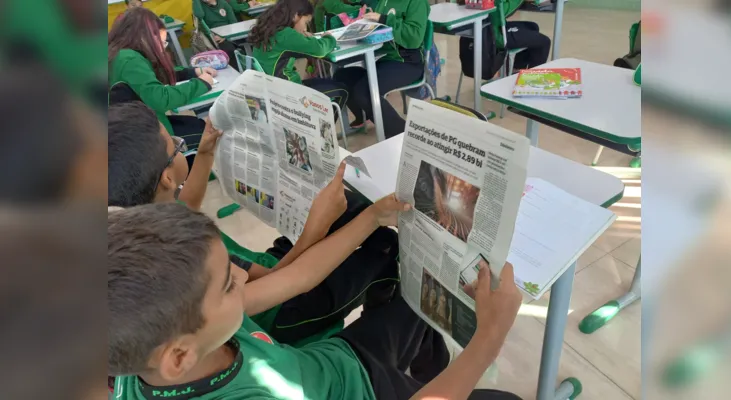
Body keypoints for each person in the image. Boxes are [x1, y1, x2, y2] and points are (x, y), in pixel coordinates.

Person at [108, 204, 524, 400]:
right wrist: (489, 336)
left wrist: (371, 219)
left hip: (339, 361)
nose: (241, 274)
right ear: (179, 357)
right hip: (366, 392)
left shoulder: (163, 339)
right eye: (227, 285)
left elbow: (296, 278)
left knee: (417, 301)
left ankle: (428, 367)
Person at [107, 102, 400, 346]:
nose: (183, 147)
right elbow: (287, 278)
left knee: (350, 212)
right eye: (177, 146)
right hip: (280, 310)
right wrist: (319, 228)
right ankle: (382, 334)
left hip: (266, 272)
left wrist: (206, 152)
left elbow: (186, 203)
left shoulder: (142, 228)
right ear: (167, 178)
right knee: (387, 250)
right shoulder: (186, 263)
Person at [109, 7, 218, 150]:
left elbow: (154, 75)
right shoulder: (130, 60)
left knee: (197, 124)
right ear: (144, 37)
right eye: (162, 43)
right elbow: (160, 99)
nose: (162, 48)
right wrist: (202, 83)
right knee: (209, 134)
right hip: (144, 138)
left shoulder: (121, 53)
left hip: (135, 126)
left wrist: (192, 72)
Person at [333, 0, 429, 137]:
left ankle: (403, 134)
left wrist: (384, 19)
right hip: (382, 60)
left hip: (407, 63)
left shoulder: (416, 3)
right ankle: (365, 114)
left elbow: (414, 37)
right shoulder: (383, 1)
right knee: (342, 77)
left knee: (365, 91)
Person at [249, 0, 349, 117]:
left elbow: (290, 49)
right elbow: (320, 50)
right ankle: (321, 133)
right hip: (289, 93)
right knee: (342, 90)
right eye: (306, 22)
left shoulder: (269, 30)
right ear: (296, 16)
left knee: (326, 84)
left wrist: (304, 40)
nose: (305, 28)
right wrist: (329, 38)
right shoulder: (286, 34)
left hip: (273, 90)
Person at [491, 0, 551, 71]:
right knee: (544, 42)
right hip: (497, 35)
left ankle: (516, 69)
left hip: (496, 26)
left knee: (532, 27)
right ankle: (533, 77)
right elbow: (502, 9)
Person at [193, 0, 243, 69]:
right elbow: (199, 15)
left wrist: (225, 36)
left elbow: (233, 22)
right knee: (228, 49)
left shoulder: (223, 3)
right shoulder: (200, 6)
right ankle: (236, 73)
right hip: (214, 39)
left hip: (229, 35)